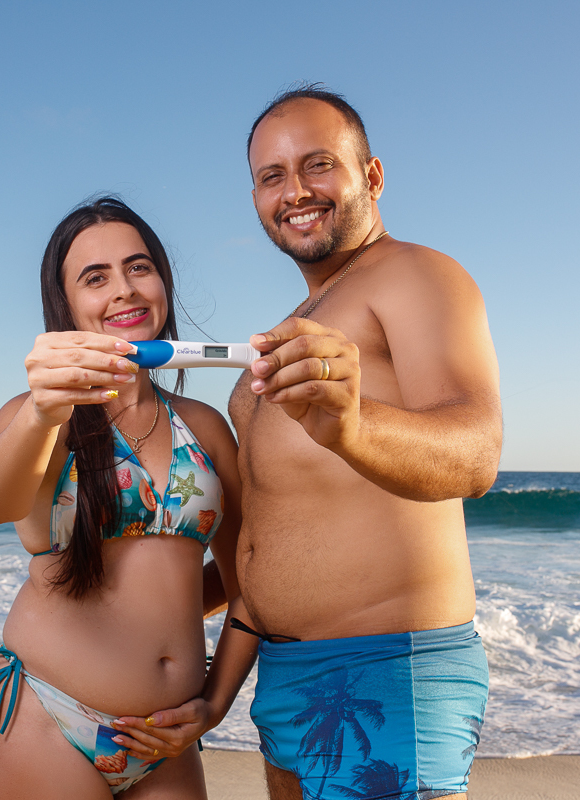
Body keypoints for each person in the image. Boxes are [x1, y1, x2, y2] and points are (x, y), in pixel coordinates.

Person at [132, 86, 503, 799]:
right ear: (254, 199)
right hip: (284, 677)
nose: (294, 190)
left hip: (388, 671)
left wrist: (355, 427)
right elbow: (267, 539)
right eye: (272, 176)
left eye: (317, 165)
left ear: (372, 176)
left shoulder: (415, 275)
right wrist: (215, 691)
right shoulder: (300, 321)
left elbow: (475, 454)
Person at [0, 196, 258, 799]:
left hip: (164, 739)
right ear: (66, 305)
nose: (123, 290)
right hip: (45, 716)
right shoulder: (36, 417)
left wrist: (215, 703)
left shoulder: (202, 426)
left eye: (139, 267)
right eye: (95, 278)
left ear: (162, 283)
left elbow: (249, 576)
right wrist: (46, 407)